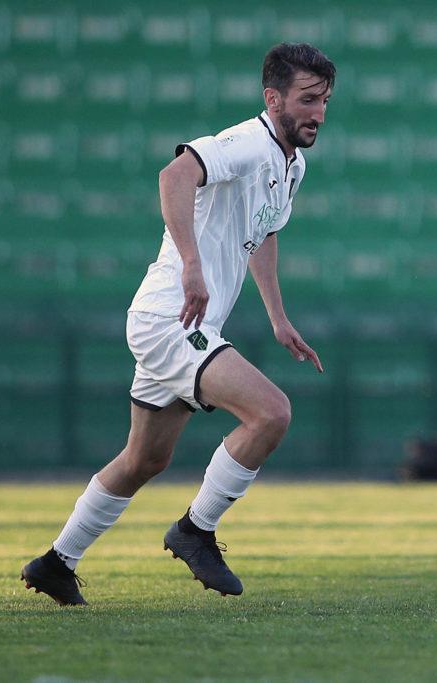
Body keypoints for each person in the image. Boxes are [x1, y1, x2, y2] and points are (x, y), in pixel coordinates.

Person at [20, 43, 335, 605]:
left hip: (185, 323)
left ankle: (55, 562)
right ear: (273, 98)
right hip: (170, 317)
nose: (317, 113)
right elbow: (175, 175)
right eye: (307, 99)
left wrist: (278, 318)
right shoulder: (245, 142)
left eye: (325, 101)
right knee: (271, 413)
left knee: (145, 459)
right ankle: (195, 530)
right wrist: (191, 263)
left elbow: (262, 233)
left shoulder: (292, 163)